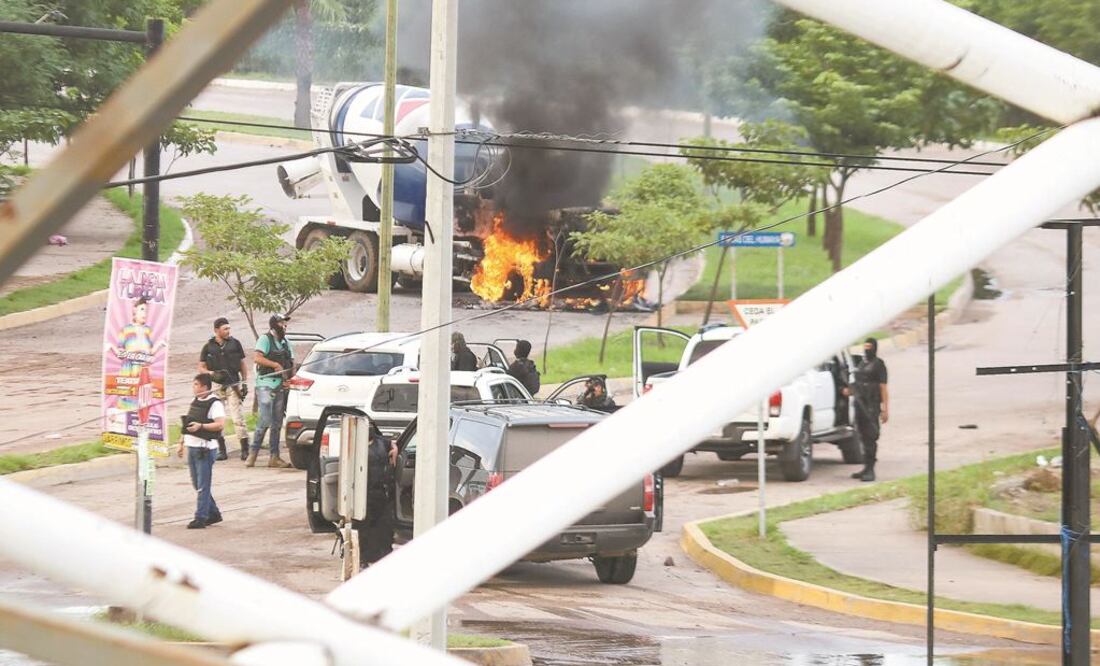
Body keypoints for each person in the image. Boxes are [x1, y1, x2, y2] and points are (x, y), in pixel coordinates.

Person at [177, 373, 225, 529]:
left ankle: (201, 517)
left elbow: (220, 424)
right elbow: (188, 422)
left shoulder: (215, 403)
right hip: (192, 445)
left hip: (205, 447)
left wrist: (201, 426)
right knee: (197, 483)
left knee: (203, 484)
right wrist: (181, 441)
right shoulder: (195, 401)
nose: (194, 388)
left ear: (205, 387)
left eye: (196, 385)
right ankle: (214, 513)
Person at [198, 317, 249, 462]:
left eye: (229, 328)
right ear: (216, 330)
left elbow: (242, 364)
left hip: (233, 384)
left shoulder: (235, 343)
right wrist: (210, 374)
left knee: (238, 418)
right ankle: (222, 450)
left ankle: (245, 449)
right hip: (217, 386)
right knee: (218, 418)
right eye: (225, 329)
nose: (228, 331)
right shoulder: (208, 347)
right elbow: (201, 367)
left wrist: (244, 382)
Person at [249, 314, 293, 469]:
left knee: (277, 423)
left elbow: (291, 362)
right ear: (274, 325)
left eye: (285, 323)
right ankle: (253, 453)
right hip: (265, 384)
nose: (285, 326)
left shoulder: (286, 343)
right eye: (282, 323)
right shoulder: (265, 340)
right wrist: (275, 365)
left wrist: (289, 379)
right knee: (265, 419)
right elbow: (257, 358)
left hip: (281, 386)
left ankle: (274, 457)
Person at [846, 338, 889, 482]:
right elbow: (858, 384)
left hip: (871, 406)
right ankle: (865, 467)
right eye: (865, 346)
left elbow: (883, 388)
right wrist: (849, 391)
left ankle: (871, 470)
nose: (867, 349)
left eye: (869, 347)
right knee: (863, 437)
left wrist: (885, 409)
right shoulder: (862, 363)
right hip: (859, 405)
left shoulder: (879, 365)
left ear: (875, 348)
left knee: (871, 437)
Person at [357, 423, 397, 568]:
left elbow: (393, 444)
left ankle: (384, 556)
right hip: (363, 494)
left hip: (381, 491)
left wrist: (395, 450)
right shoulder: (355, 445)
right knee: (364, 527)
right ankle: (363, 559)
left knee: (385, 526)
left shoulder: (381, 442)